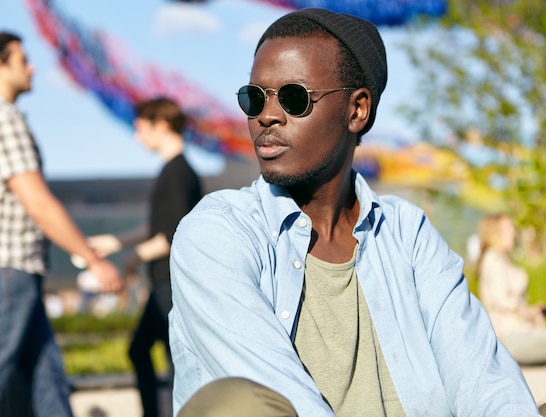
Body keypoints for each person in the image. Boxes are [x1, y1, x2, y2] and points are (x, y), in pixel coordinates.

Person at [169, 8, 542, 417]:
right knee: (237, 406)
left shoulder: (406, 232)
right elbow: (275, 397)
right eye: (254, 97)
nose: (266, 115)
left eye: (294, 97)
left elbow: (481, 376)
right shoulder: (217, 233)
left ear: (357, 110)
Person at [0, 31, 123, 417]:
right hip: (5, 269)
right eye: (21, 59)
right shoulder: (2, 119)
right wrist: (92, 259)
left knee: (49, 386)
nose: (32, 67)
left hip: (5, 269)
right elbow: (38, 201)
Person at [88, 97, 203, 417]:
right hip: (162, 283)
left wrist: (134, 257)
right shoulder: (173, 171)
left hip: (170, 283)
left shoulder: (178, 172)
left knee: (174, 360)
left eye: (141, 129)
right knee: (145, 352)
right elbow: (158, 226)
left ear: (161, 125)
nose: (137, 137)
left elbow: (173, 234)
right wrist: (116, 242)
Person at [476, 213, 546, 365]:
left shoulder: (499, 259)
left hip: (512, 332)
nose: (513, 232)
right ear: (494, 233)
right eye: (508, 229)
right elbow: (502, 302)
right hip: (508, 335)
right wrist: (528, 312)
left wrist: (531, 310)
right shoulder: (493, 260)